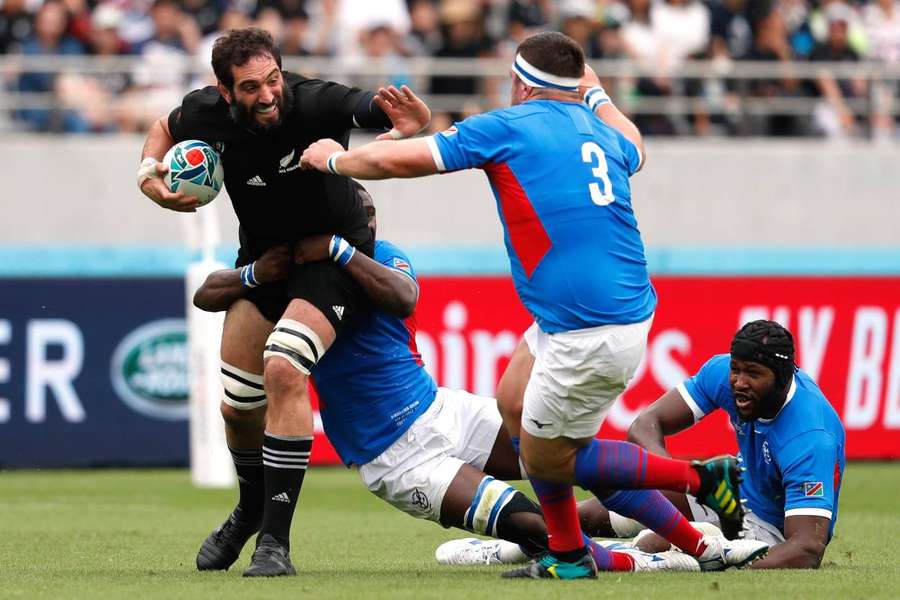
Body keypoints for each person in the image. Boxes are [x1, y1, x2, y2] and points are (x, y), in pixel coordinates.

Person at [299, 31, 766, 579]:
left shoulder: (508, 126)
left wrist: (336, 160)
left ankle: (691, 486)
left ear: (520, 83)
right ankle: (672, 546)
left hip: (586, 330)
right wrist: (596, 96)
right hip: (595, 314)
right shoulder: (604, 132)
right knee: (512, 400)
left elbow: (401, 162)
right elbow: (635, 140)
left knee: (553, 459)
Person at [191, 190, 744, 574]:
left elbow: (403, 297)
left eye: (361, 223)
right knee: (537, 526)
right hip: (397, 458)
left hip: (442, 411)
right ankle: (648, 559)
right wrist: (254, 275)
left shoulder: (384, 261)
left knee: (569, 459)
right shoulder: (294, 280)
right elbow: (207, 294)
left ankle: (692, 532)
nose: (363, 231)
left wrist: (340, 252)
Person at [136, 27, 430, 577]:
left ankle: (275, 542)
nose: (269, 95)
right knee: (237, 409)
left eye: (273, 80)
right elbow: (160, 129)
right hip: (266, 262)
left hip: (330, 260)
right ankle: (250, 508)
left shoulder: (318, 102)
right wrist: (149, 181)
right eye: (251, 87)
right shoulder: (204, 114)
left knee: (284, 367)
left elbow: (401, 120)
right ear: (225, 92)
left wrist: (410, 121)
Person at [449, 321, 846, 570]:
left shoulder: (811, 436)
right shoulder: (723, 376)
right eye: (736, 370)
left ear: (782, 374)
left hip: (772, 529)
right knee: (590, 514)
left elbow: (807, 547)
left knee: (659, 540)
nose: (739, 382)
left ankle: (637, 555)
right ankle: (529, 543)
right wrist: (669, 493)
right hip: (735, 493)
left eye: (752, 374)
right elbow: (645, 425)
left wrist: (730, 561)